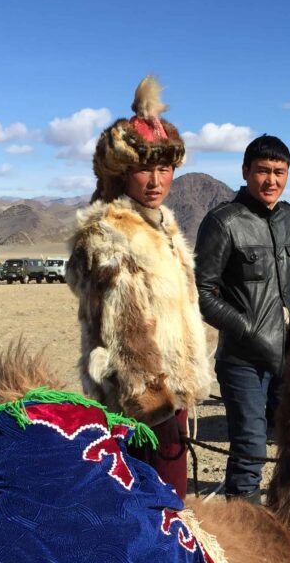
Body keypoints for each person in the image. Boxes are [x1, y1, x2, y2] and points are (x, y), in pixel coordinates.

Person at [65, 75, 211, 499]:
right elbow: (125, 334)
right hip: (142, 408)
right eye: (143, 168)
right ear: (122, 173)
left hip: (172, 400)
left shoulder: (164, 225)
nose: (155, 180)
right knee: (153, 511)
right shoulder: (109, 234)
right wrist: (158, 409)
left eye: (164, 168)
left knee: (168, 509)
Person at [194, 135, 290, 504]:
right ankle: (243, 534)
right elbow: (202, 293)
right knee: (249, 446)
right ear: (246, 171)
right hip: (243, 360)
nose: (271, 180)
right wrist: (249, 329)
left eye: (279, 172)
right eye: (263, 171)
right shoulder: (223, 222)